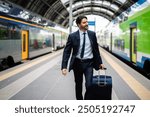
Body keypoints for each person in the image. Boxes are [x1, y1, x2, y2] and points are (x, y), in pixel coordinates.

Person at [61, 15, 105, 100]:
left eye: (87, 22)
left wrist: (100, 63)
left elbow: (96, 50)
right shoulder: (72, 36)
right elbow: (67, 52)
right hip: (77, 64)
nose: (86, 24)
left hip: (89, 64)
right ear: (78, 24)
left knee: (89, 85)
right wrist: (64, 66)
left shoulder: (92, 34)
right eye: (84, 22)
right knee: (78, 85)